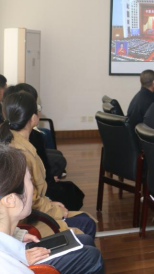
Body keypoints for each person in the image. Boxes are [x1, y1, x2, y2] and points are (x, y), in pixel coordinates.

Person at [0, 91, 97, 238]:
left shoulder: (13, 141)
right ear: (33, 118)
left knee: (83, 217)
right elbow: (29, 200)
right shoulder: (20, 153)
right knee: (86, 223)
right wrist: (55, 211)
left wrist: (51, 203)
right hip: (26, 223)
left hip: (26, 214)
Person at [0, 144, 104, 274]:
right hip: (20, 260)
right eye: (30, 180)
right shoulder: (9, 268)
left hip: (17, 249)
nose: (33, 188)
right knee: (92, 257)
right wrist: (20, 259)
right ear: (10, 200)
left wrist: (18, 235)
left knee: (85, 240)